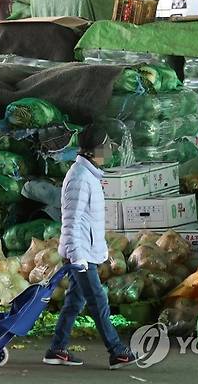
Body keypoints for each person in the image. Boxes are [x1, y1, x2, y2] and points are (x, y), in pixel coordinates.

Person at [43, 124, 137, 370]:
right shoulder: (79, 178)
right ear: (96, 149)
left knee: (74, 302)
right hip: (80, 253)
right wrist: (77, 256)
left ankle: (57, 349)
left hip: (86, 251)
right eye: (107, 146)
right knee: (98, 302)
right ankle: (117, 351)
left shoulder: (89, 175)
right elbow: (71, 221)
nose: (110, 151)